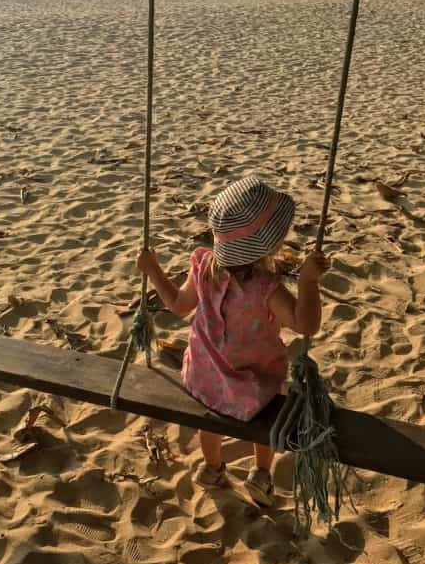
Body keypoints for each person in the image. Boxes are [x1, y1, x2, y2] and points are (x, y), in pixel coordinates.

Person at [137, 176, 327, 506]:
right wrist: (309, 281)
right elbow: (306, 325)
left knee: (208, 418)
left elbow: (179, 306)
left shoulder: (204, 266)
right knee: (267, 415)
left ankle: (213, 468)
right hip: (255, 387)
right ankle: (261, 474)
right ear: (270, 243)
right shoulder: (266, 289)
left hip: (203, 378)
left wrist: (153, 270)